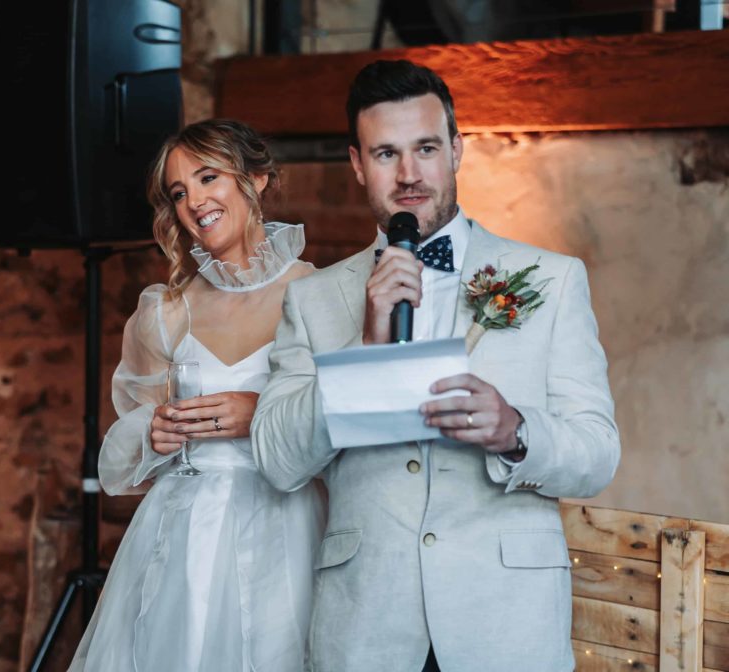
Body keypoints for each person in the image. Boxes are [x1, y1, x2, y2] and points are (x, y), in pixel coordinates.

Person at [251, 60, 620, 671]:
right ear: (357, 164)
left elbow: (598, 453)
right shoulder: (314, 299)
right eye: (386, 154)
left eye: (425, 148)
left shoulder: (552, 280)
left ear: (456, 149)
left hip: (504, 623)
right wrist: (362, 355)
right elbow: (277, 460)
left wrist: (516, 431)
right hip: (367, 627)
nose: (408, 174)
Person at [69, 119, 325, 672]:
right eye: (179, 192)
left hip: (288, 530)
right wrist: (154, 431)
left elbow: (352, 428)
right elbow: (129, 435)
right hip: (183, 535)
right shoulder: (163, 312)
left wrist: (265, 416)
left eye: (209, 177)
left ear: (256, 180)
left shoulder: (324, 296)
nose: (194, 202)